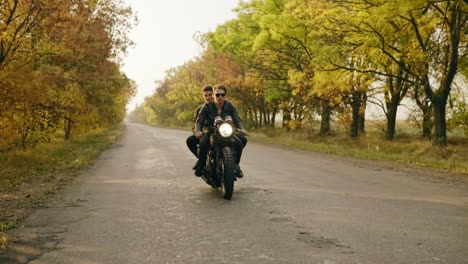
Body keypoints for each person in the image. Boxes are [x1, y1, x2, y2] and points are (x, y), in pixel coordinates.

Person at [194, 84, 248, 177]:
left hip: (227, 130)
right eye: (217, 95)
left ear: (225, 95)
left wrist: (242, 128)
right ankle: (201, 165)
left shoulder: (229, 105)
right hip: (213, 131)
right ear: (214, 95)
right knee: (203, 144)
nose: (220, 97)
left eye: (222, 95)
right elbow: (199, 120)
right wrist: (198, 130)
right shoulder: (207, 106)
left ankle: (235, 165)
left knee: (240, 142)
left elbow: (236, 118)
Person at [186, 85, 214, 170]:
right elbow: (195, 124)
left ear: (214, 94)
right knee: (190, 140)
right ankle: (202, 160)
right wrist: (198, 132)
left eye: (210, 95)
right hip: (204, 135)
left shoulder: (221, 106)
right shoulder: (199, 109)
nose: (208, 97)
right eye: (206, 95)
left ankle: (233, 164)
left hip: (220, 133)